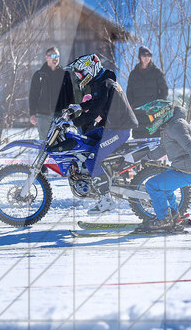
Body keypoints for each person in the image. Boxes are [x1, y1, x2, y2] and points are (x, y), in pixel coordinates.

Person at [67, 54, 139, 213]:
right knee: (86, 139)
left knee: (93, 159)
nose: (79, 77)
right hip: (113, 128)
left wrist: (72, 122)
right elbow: (96, 103)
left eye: (80, 73)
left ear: (89, 70)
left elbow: (95, 111)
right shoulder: (102, 82)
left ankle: (106, 200)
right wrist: (79, 106)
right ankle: (99, 177)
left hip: (119, 131)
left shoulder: (104, 83)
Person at [133, 100, 191, 234]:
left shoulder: (176, 126)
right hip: (181, 167)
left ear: (162, 114)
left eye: (153, 116)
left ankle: (164, 220)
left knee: (152, 185)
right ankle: (174, 216)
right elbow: (163, 148)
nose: (151, 120)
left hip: (188, 170)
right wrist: (147, 158)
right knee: (165, 188)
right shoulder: (170, 126)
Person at [28, 46, 74, 139]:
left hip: (61, 115)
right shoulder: (39, 75)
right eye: (53, 55)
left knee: (61, 142)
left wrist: (71, 114)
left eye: (57, 56)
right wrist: (32, 113)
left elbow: (71, 96)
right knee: (44, 143)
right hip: (43, 115)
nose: (55, 58)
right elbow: (33, 95)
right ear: (46, 57)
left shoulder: (65, 74)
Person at [127, 46, 169, 137]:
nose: (147, 58)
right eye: (144, 55)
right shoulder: (133, 73)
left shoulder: (157, 72)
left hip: (153, 110)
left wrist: (159, 103)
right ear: (140, 57)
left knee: (154, 134)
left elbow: (164, 90)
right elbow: (129, 91)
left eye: (149, 55)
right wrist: (131, 104)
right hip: (138, 109)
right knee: (138, 135)